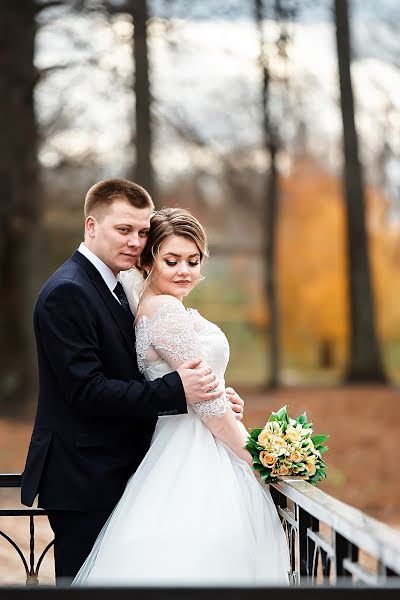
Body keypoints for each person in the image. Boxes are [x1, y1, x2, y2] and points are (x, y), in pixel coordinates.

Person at [20, 180, 244, 582]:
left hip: (121, 468)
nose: (135, 242)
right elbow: (86, 392)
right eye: (124, 230)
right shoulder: (68, 292)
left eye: (142, 232)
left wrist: (206, 396)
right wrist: (180, 390)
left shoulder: (120, 288)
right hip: (83, 478)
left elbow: (135, 369)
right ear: (92, 226)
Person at [73, 207, 289, 586]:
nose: (184, 271)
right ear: (148, 260)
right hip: (195, 452)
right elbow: (207, 406)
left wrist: (222, 393)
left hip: (180, 439)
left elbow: (196, 388)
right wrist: (261, 460)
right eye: (171, 260)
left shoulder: (151, 307)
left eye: (193, 260)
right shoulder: (167, 311)